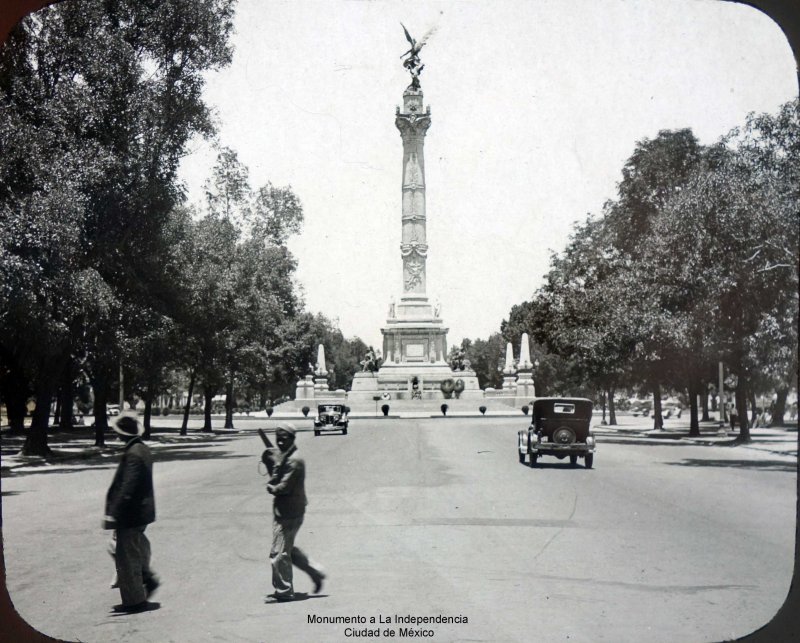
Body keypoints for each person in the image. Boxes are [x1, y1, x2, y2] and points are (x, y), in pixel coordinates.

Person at [103, 410, 160, 613]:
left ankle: (136, 601)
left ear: (123, 433)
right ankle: (146, 577)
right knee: (127, 550)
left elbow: (128, 486)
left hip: (131, 514)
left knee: (126, 558)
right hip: (139, 513)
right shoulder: (141, 449)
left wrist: (114, 512)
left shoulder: (134, 453)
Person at [264, 423, 325, 602]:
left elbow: (284, 486)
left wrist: (271, 487)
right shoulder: (285, 456)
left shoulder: (294, 460)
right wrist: (272, 463)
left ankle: (284, 591)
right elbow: (277, 475)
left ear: (292, 439)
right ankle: (315, 572)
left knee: (279, 552)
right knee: (287, 549)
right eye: (278, 438)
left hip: (290, 511)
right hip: (286, 510)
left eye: (284, 438)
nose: (280, 442)